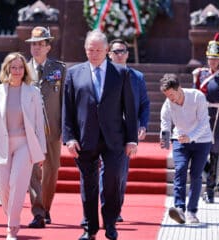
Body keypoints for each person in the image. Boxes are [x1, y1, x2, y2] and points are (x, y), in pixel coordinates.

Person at [62, 30, 138, 240]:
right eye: (90, 49)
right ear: (85, 49)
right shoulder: (74, 73)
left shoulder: (121, 73)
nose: (94, 53)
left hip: (114, 138)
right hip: (84, 138)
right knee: (88, 184)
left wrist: (132, 139)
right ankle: (90, 227)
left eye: (98, 50)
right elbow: (67, 109)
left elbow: (129, 109)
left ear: (107, 50)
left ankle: (111, 223)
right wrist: (69, 137)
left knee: (113, 180)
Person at [0, 52, 46, 240]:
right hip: (1, 144)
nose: (17, 71)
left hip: (24, 145)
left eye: (20, 67)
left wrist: (41, 152)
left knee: (18, 184)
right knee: (3, 188)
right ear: (7, 69)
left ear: (25, 70)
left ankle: (12, 227)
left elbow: (39, 123)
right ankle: (11, 215)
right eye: (13, 67)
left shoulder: (33, 92)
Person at [25, 26, 66, 228]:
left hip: (53, 129)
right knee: (33, 172)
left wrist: (66, 130)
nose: (37, 48)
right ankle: (38, 212)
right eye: (33, 44)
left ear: (48, 47)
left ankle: (46, 207)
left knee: (52, 171)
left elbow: (66, 101)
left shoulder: (60, 69)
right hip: (29, 130)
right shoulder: (21, 68)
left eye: (41, 44)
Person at [160, 73, 212, 224]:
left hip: (202, 140)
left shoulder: (197, 97)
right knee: (180, 169)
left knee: (196, 175)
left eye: (171, 95)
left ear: (179, 88)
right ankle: (179, 208)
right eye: (167, 95)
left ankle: (192, 212)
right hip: (180, 140)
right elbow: (165, 121)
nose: (170, 98)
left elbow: (204, 123)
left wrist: (191, 137)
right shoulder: (168, 102)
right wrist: (165, 138)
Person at [108, 38, 150, 222]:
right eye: (116, 51)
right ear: (109, 54)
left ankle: (115, 208)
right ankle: (106, 207)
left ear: (127, 53)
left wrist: (142, 124)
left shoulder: (137, 77)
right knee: (104, 170)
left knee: (121, 172)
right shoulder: (101, 75)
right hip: (105, 129)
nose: (119, 54)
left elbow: (144, 103)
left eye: (123, 51)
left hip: (127, 131)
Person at [192, 34, 219, 203]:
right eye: (210, 58)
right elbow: (193, 96)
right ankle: (215, 182)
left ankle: (210, 192)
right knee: (198, 154)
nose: (211, 62)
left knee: (215, 154)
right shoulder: (200, 75)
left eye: (215, 59)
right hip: (202, 118)